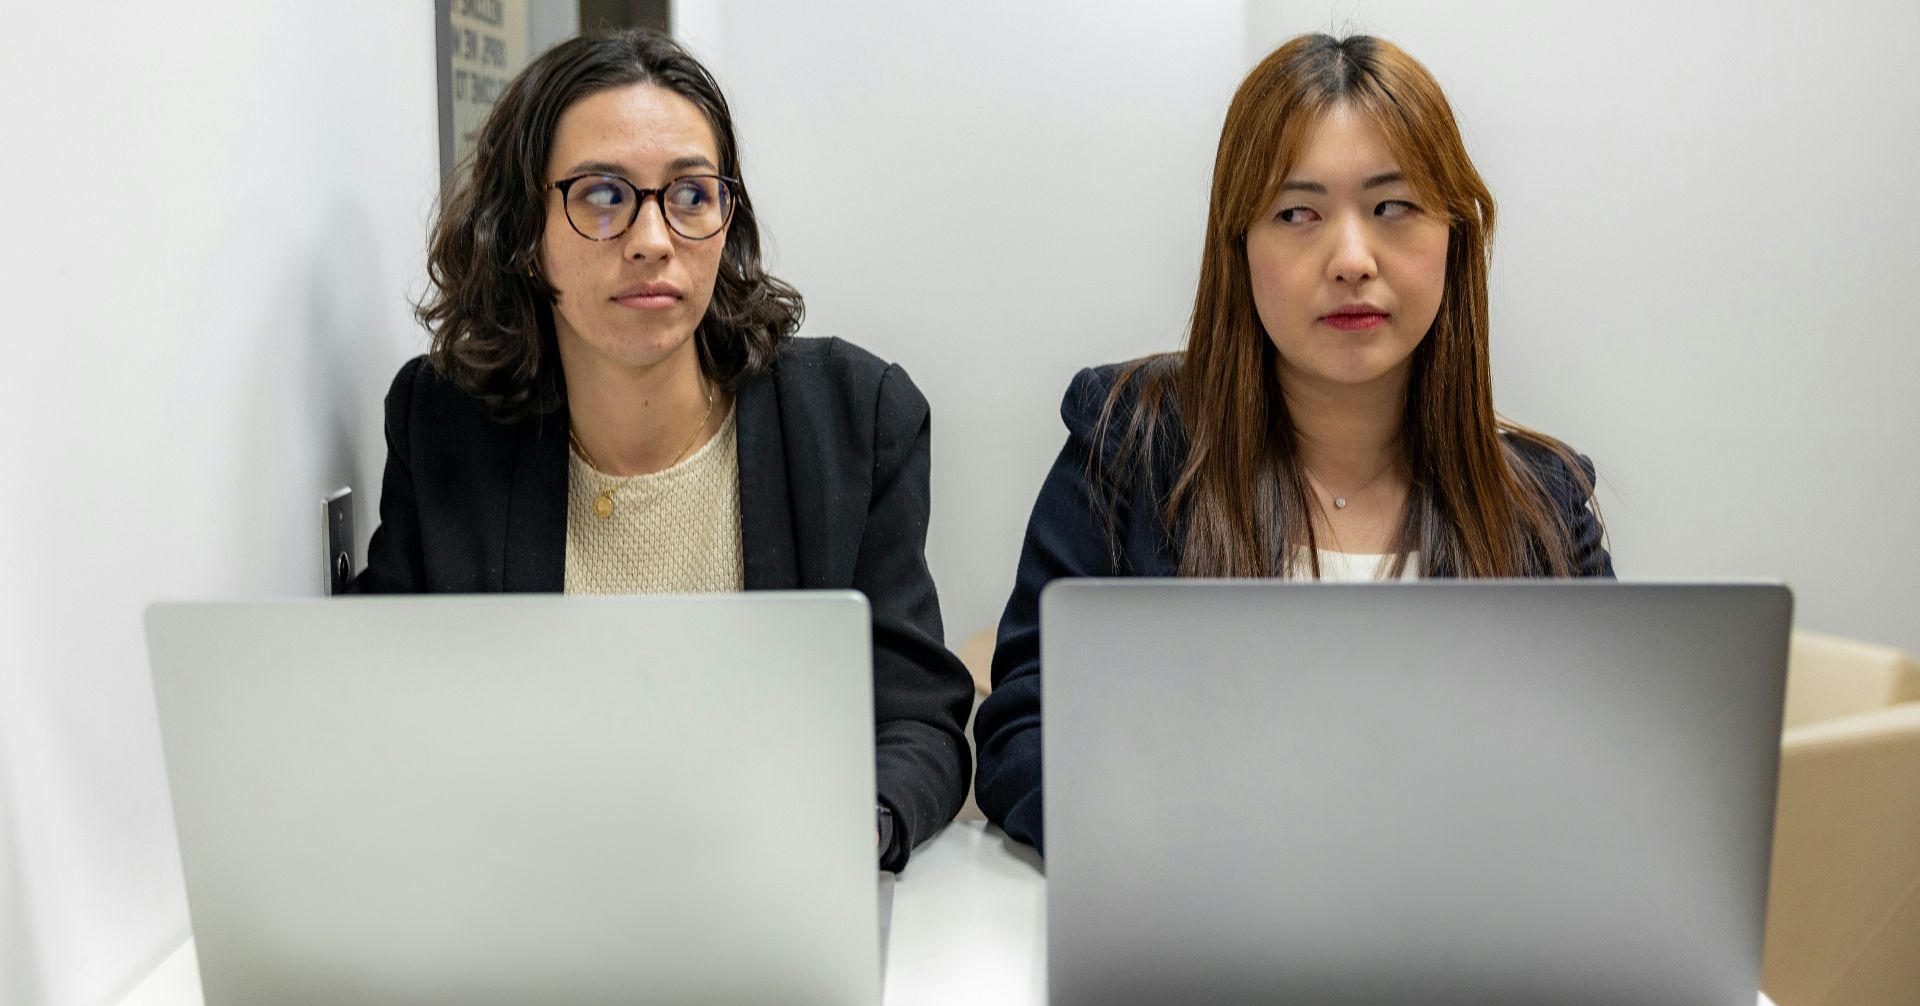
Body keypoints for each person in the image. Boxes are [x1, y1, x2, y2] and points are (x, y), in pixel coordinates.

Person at [972, 33, 1613, 856]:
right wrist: (1180, 844)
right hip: (1198, 931)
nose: (1351, 259)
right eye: (1297, 213)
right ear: (1239, 245)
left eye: (1394, 207)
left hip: (1462, 950)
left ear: (1455, 236)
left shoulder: (1543, 504)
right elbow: (1025, 728)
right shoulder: (1131, 440)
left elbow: (1609, 772)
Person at [351, 28, 972, 871]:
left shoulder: (854, 419)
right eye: (603, 195)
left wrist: (854, 828)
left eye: (690, 195)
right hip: (522, 898)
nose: (652, 238)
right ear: (525, 232)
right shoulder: (443, 424)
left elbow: (916, 718)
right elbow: (377, 708)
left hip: (770, 899)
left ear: (727, 218)